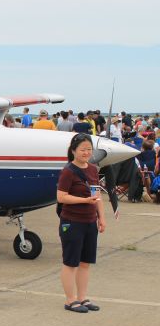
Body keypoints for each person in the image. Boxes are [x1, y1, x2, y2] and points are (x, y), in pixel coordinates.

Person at [56, 133, 106, 313]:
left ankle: (82, 297)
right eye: (83, 149)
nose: (86, 153)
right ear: (73, 151)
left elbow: (97, 195)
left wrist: (101, 217)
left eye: (89, 150)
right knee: (71, 263)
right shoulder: (68, 171)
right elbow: (61, 197)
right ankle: (70, 300)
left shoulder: (93, 169)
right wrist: (84, 201)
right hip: (72, 221)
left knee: (85, 262)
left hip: (90, 221)